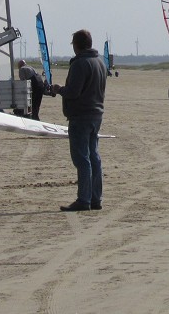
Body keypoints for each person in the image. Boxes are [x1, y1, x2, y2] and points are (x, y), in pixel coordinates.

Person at [51, 29, 107, 212]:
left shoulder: (80, 63)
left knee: (82, 158)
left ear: (76, 45)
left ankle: (84, 199)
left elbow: (73, 92)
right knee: (93, 156)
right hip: (96, 114)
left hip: (81, 116)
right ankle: (95, 198)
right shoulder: (100, 62)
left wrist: (59, 89)